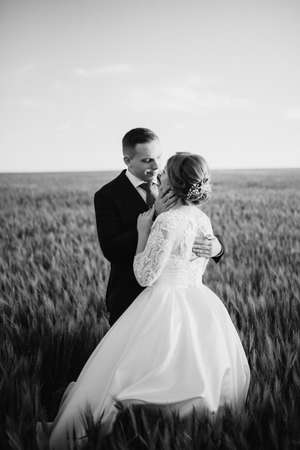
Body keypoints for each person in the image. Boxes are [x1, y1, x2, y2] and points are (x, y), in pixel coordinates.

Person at [37, 152, 250, 450]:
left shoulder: (167, 222)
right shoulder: (202, 218)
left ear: (171, 182)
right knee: (197, 366)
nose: (158, 172)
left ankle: (136, 426)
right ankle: (188, 429)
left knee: (130, 371)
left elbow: (145, 276)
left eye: (163, 169)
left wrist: (142, 232)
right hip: (199, 301)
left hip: (162, 303)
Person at [94, 128, 224, 325]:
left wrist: (217, 248)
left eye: (158, 158)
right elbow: (111, 250)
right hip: (130, 296)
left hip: (177, 304)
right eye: (147, 160)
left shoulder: (176, 185)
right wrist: (155, 216)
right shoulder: (107, 195)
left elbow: (193, 224)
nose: (156, 166)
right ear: (127, 161)